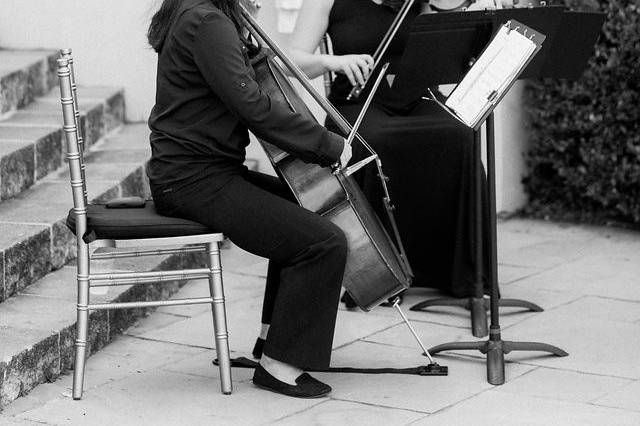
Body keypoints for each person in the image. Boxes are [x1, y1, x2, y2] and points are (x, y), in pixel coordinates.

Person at [146, 0, 353, 398]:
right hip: (194, 180)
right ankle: (280, 366)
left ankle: (269, 341)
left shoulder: (199, 13)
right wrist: (328, 144)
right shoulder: (208, 21)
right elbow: (254, 107)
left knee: (299, 209)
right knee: (324, 240)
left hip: (197, 172)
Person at [290, 0, 495, 306]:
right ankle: (379, 273)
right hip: (356, 102)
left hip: (418, 97)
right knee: (375, 140)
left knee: (461, 134)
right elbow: (289, 59)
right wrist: (335, 62)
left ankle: (464, 273)